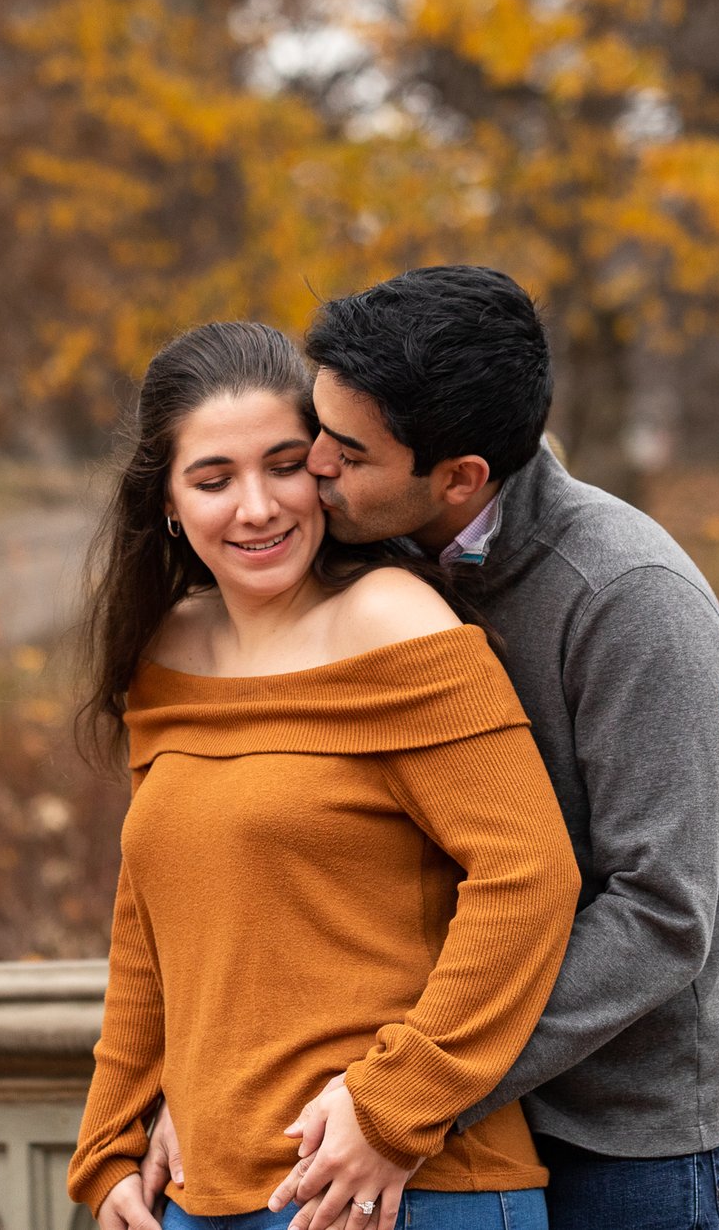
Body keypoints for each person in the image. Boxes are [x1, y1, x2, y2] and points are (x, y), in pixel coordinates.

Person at [210, 264, 719, 1230]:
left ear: (460, 477)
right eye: (317, 430)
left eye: (349, 453)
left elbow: (664, 911)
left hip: (617, 1147)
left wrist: (422, 1087)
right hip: (429, 1126)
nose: (313, 468)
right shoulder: (362, 550)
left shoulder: (633, 600)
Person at [66, 321, 582, 1230]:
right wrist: (111, 1133)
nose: (257, 507)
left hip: (395, 1190)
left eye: (286, 464)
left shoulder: (393, 619)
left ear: (328, 470)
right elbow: (152, 914)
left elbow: (530, 875)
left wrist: (396, 1109)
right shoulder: (167, 651)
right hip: (202, 1196)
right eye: (215, 479)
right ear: (169, 505)